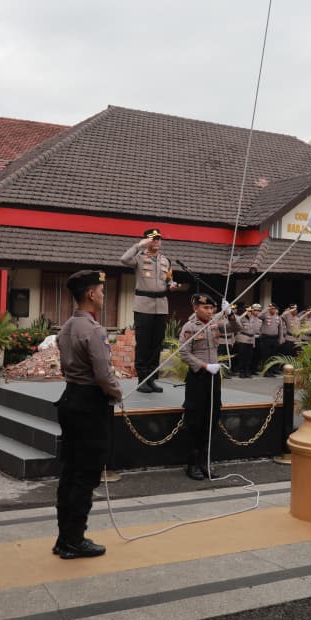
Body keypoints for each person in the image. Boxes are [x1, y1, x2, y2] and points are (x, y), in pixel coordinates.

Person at [53, 270, 123, 559]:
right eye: (101, 291)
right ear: (91, 294)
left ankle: (64, 538)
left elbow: (66, 367)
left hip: (70, 398)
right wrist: (117, 392)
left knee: (70, 472)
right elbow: (103, 375)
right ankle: (75, 540)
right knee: (86, 474)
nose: (103, 296)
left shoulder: (67, 327)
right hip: (90, 404)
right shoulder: (94, 330)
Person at [178, 293, 239, 480]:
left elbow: (236, 328)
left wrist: (230, 314)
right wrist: (204, 366)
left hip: (213, 377)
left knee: (211, 418)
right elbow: (184, 353)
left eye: (212, 308)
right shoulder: (189, 327)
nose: (210, 311)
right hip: (198, 377)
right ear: (195, 308)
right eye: (205, 307)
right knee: (195, 420)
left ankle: (205, 462)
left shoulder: (215, 324)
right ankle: (192, 464)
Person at [120, 228, 181, 393]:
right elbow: (124, 259)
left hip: (161, 306)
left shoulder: (166, 261)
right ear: (146, 241)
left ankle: (152, 379)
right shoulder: (138, 258)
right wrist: (139, 245)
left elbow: (168, 280)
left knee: (156, 345)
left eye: (158, 238)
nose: (156, 241)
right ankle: (142, 380)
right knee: (144, 344)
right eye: (153, 238)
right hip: (143, 306)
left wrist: (172, 285)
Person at [233, 304, 263, 378]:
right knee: (242, 356)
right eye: (248, 311)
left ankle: (247, 371)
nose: (249, 312)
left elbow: (256, 330)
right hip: (243, 338)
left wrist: (254, 342)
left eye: (250, 311)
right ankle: (241, 372)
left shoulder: (254, 319)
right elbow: (236, 321)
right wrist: (244, 314)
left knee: (249, 357)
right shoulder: (242, 318)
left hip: (251, 339)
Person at [257, 303, 285, 376]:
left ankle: (271, 371)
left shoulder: (278, 317)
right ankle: (266, 371)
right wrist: (266, 308)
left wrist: (281, 339)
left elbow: (280, 329)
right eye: (271, 308)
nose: (273, 310)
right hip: (266, 338)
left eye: (274, 308)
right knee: (266, 355)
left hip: (274, 338)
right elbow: (259, 315)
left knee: (273, 356)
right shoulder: (265, 316)